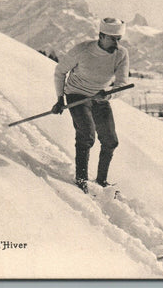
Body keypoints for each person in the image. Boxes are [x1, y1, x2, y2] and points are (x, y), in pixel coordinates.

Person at [52, 18, 129, 194]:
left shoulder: (121, 54)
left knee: (110, 141)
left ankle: (101, 181)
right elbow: (60, 71)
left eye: (119, 39)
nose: (116, 43)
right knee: (86, 134)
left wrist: (109, 94)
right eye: (112, 38)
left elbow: (122, 84)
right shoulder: (82, 50)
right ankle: (81, 179)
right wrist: (59, 99)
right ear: (101, 36)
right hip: (76, 94)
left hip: (100, 98)